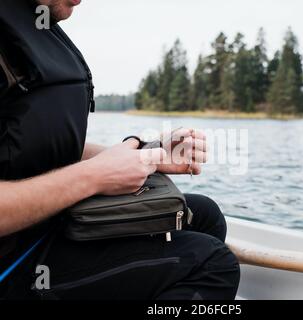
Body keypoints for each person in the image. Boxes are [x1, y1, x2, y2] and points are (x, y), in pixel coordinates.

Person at [0, 0, 240, 300]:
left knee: (202, 214)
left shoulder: (27, 25)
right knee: (213, 265)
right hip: (11, 265)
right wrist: (93, 177)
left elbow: (31, 144)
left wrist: (146, 154)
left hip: (41, 231)